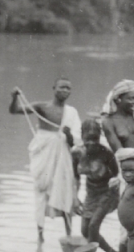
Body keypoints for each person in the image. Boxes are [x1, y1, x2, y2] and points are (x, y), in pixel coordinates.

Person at [9, 78, 82, 241]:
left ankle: (69, 236)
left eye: (68, 88)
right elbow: (15, 111)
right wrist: (14, 97)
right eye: (62, 87)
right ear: (54, 88)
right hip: (44, 153)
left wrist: (68, 134)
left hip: (63, 156)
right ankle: (40, 236)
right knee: (41, 190)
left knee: (65, 191)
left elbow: (74, 142)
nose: (65, 91)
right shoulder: (42, 107)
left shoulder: (71, 112)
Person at [72, 118, 120, 252]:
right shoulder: (77, 153)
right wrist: (75, 198)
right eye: (88, 139)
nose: (92, 143)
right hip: (91, 192)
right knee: (85, 230)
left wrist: (115, 185)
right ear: (82, 137)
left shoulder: (106, 153)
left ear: (99, 137)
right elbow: (75, 177)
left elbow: (116, 174)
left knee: (93, 226)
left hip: (108, 192)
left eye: (95, 139)